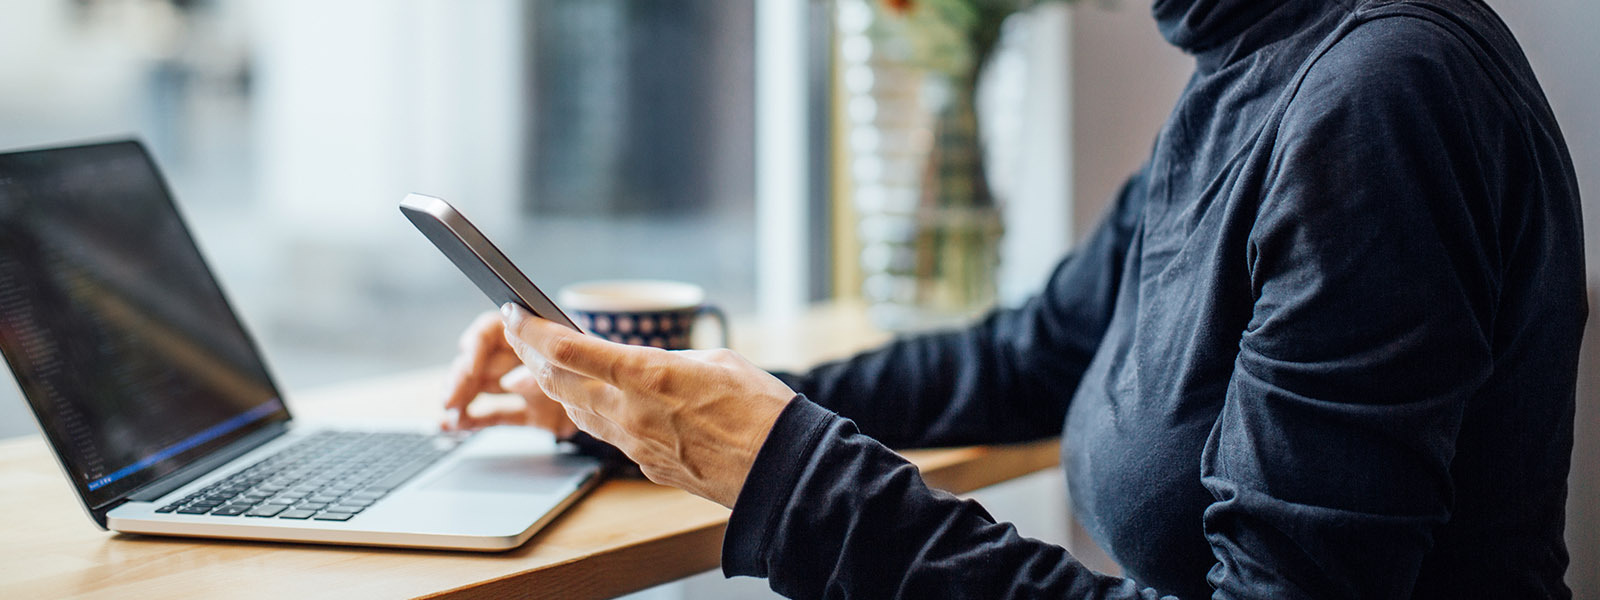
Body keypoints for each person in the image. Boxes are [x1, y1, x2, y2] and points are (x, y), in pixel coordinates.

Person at [442, 0, 1585, 597]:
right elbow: (1030, 357)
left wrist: (784, 475)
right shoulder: (1257, 70)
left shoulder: (1379, 103)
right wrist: (658, 408)